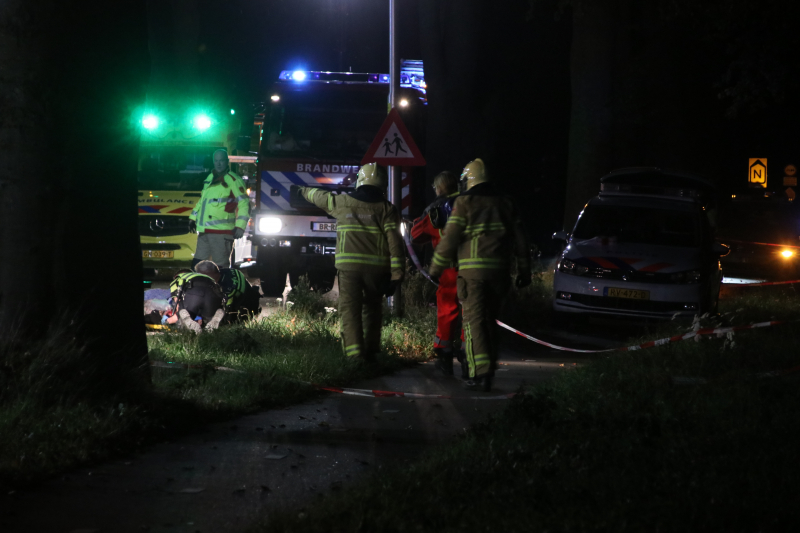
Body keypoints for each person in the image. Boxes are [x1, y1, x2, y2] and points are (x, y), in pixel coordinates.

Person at [429, 159, 532, 391]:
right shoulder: (507, 203)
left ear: (469, 180)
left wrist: (436, 268)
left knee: (474, 323)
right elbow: (521, 239)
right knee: (491, 323)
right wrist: (525, 271)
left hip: (472, 275)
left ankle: (480, 374)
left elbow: (450, 238)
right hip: (501, 274)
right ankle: (488, 370)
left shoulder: (465, 202)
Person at [291, 163, 404, 361]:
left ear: (360, 181)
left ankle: (354, 357)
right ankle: (371, 352)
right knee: (373, 309)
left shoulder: (342, 202)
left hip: (349, 269)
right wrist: (397, 275)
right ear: (382, 185)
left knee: (350, 311)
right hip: (377, 270)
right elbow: (395, 243)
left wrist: (302, 190)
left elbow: (320, 197)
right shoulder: (387, 209)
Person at [411, 170, 465, 376]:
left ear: (439, 187)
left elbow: (417, 235)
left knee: (447, 309)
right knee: (471, 309)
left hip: (448, 269)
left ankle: (444, 355)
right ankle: (467, 351)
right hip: (471, 266)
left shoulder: (435, 208)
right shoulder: (469, 203)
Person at [188, 149, 250, 269]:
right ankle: (199, 288)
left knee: (220, 268)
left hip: (222, 233)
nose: (219, 163)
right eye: (216, 161)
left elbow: (244, 204)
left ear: (227, 161)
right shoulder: (210, 177)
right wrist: (192, 217)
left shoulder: (234, 180)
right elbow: (203, 200)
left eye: (221, 160)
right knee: (197, 266)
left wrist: (240, 226)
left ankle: (222, 288)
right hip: (205, 231)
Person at [170, 260, 226, 333]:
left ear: (175, 277)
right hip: (213, 293)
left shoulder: (177, 280)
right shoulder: (201, 276)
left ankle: (188, 323)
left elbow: (177, 302)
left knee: (182, 315)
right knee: (208, 319)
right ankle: (212, 319)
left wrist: (168, 321)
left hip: (194, 293)